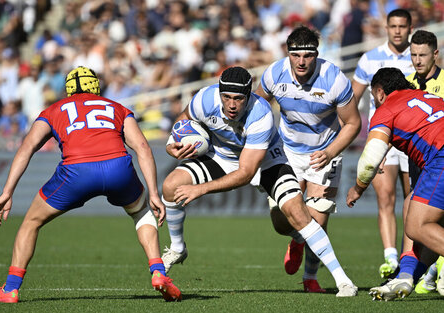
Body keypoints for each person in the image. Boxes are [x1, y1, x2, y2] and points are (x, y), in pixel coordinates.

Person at [0, 66, 181, 303]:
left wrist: (7, 191)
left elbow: (27, 148)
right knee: (141, 212)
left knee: (31, 222)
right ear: (96, 86)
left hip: (76, 171)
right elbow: (143, 148)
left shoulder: (54, 109)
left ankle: (11, 289)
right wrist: (154, 193)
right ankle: (158, 271)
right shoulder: (116, 108)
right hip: (118, 167)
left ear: (67, 90)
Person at [161, 66, 358, 297]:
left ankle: (344, 282)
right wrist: (170, 144)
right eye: (226, 97)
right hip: (223, 156)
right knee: (170, 186)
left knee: (298, 214)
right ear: (219, 93)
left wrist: (200, 189)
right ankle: (177, 248)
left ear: (249, 96)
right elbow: (182, 121)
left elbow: (246, 172)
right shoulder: (204, 99)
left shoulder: (260, 113)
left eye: (238, 99)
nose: (232, 105)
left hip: (266, 160)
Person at [255, 25, 361, 293]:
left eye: (308, 55)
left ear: (317, 54)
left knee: (318, 219)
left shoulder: (334, 79)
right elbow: (257, 106)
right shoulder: (273, 73)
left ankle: (310, 278)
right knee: (281, 222)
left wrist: (331, 152)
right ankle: (297, 239)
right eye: (295, 55)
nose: (301, 61)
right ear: (287, 53)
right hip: (285, 151)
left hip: (324, 153)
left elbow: (352, 123)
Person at [346, 67, 444, 301]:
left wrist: (357, 188)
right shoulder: (426, 96)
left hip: (440, 158)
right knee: (412, 206)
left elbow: (370, 161)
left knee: (417, 226)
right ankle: (407, 275)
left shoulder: (386, 108)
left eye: (373, 97)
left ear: (380, 93)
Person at [351, 9, 414, 279]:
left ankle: (409, 258)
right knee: (385, 197)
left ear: (410, 28)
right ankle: (390, 258)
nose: (398, 31)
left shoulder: (418, 56)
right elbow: (352, 98)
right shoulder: (370, 58)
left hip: (412, 138)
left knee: (413, 200)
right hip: (382, 136)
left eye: (402, 26)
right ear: (386, 28)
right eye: (393, 26)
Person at [405, 30, 444, 295]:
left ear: (435, 54)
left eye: (423, 55)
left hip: (440, 162)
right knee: (419, 220)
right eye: (414, 55)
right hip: (418, 165)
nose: (418, 60)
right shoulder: (406, 84)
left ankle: (414, 274)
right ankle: (421, 273)